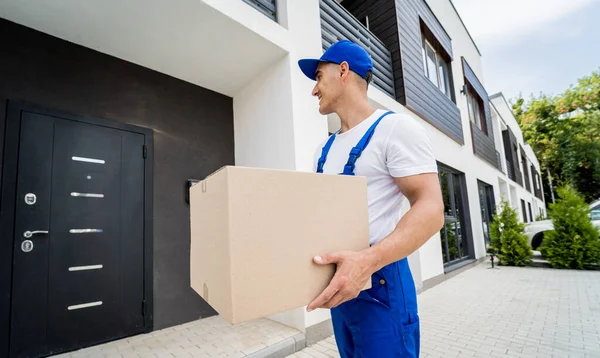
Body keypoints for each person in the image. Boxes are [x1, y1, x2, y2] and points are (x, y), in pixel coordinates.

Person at [297, 40, 445, 357]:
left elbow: (432, 211)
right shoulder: (323, 151)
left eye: (319, 77)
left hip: (381, 286)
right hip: (342, 286)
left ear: (343, 70)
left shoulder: (394, 128)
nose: (314, 89)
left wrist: (366, 262)